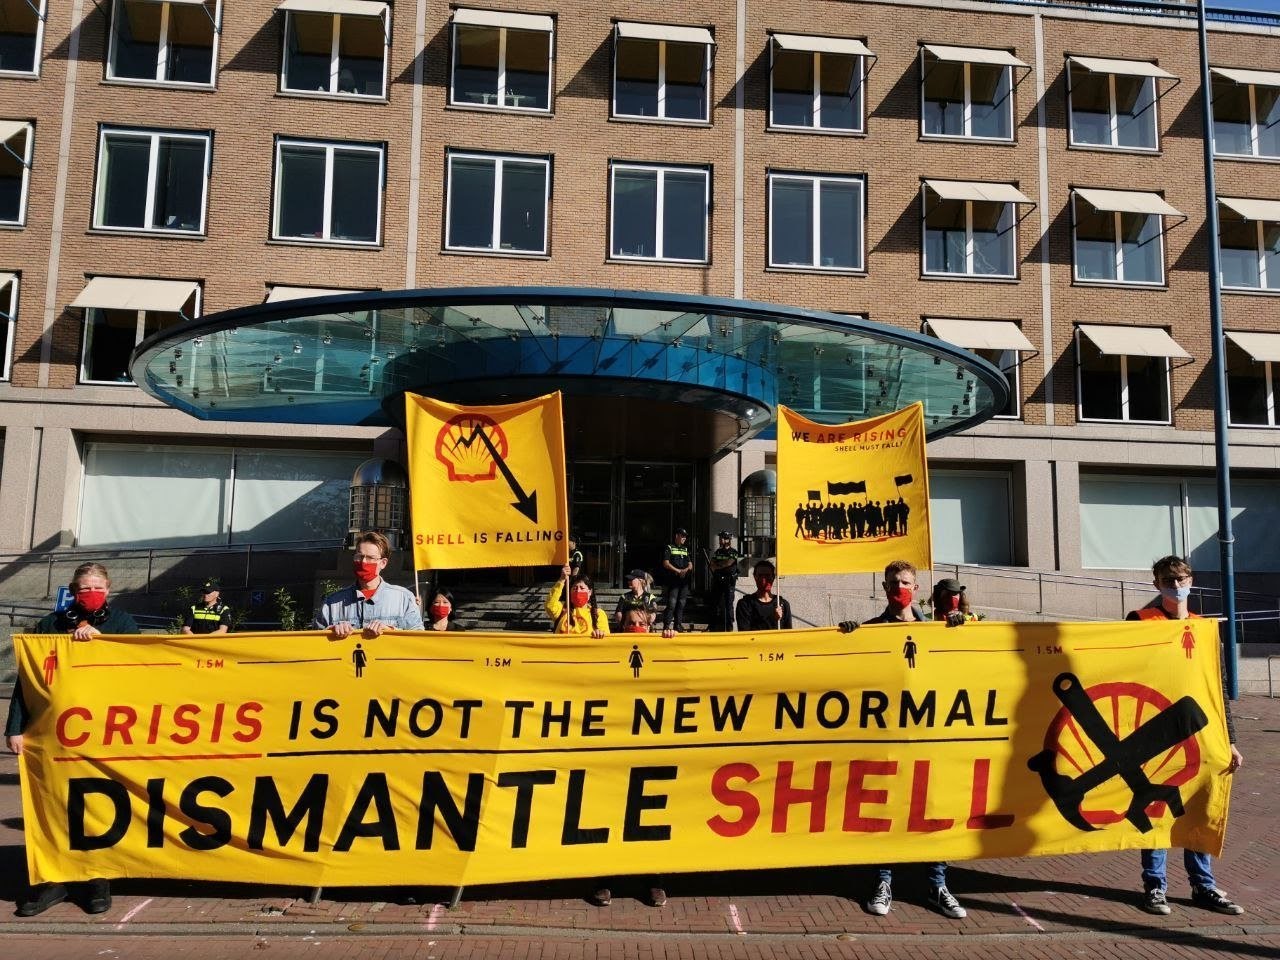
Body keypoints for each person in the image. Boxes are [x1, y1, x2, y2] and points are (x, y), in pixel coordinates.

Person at [6, 561, 140, 917]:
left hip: (104, 733)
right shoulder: (50, 625)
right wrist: (15, 727)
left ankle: (96, 878)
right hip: (53, 734)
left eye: (97, 587)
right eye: (84, 588)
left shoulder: (122, 624)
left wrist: (104, 643)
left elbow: (140, 668)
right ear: (73, 590)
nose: (91, 593)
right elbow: (28, 681)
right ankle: (54, 879)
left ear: (108, 589)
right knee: (52, 803)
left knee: (96, 803)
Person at [840, 560, 965, 920]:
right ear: (884, 588)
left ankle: (937, 885)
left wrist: (958, 634)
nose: (900, 588)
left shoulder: (936, 631)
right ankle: (883, 881)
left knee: (934, 810)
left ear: (917, 588)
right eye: (894, 582)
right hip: (887, 738)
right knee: (885, 811)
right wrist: (846, 640)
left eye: (906, 582)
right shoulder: (871, 630)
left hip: (927, 737)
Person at [1126, 555, 1245, 917]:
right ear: (1156, 584)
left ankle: (1203, 885)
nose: (1175, 585)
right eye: (1168, 580)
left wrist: (1230, 740)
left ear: (1191, 580)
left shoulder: (1204, 628)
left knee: (1198, 806)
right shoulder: (1140, 621)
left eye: (1180, 578)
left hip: (1200, 730)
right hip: (1154, 727)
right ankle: (1155, 886)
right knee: (1156, 807)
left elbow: (1216, 687)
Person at [314, 532, 423, 639]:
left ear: (383, 563)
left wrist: (390, 631)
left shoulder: (404, 598)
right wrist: (330, 632)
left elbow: (419, 639)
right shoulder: (332, 603)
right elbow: (315, 639)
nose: (363, 562)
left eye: (370, 558)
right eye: (359, 556)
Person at [546, 564, 608, 637]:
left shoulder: (598, 614)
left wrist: (600, 633)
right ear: (570, 591)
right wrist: (562, 579)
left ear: (590, 592)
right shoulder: (562, 609)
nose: (578, 591)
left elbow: (606, 637)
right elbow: (549, 605)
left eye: (582, 588)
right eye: (575, 588)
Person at [735, 560, 792, 631]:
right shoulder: (745, 604)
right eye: (760, 576)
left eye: (767, 575)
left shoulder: (782, 604)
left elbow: (788, 634)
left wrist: (778, 620)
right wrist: (774, 620)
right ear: (755, 577)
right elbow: (745, 633)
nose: (763, 580)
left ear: (773, 577)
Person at [708, 531, 742, 632]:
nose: (720, 540)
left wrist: (718, 566)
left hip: (729, 582)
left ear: (728, 540)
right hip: (718, 581)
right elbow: (711, 564)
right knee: (714, 604)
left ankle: (729, 628)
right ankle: (713, 627)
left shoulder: (733, 552)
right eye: (720, 538)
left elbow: (728, 563)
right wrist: (719, 566)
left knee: (728, 605)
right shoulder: (718, 552)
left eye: (722, 538)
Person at [660, 527, 692, 634]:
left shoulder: (685, 549)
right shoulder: (669, 547)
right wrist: (678, 571)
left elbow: (690, 564)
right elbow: (666, 563)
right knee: (672, 603)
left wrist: (685, 570)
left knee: (681, 603)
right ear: (677, 536)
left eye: (685, 537)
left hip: (684, 581)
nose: (684, 538)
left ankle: (678, 625)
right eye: (682, 536)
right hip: (673, 580)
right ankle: (666, 626)